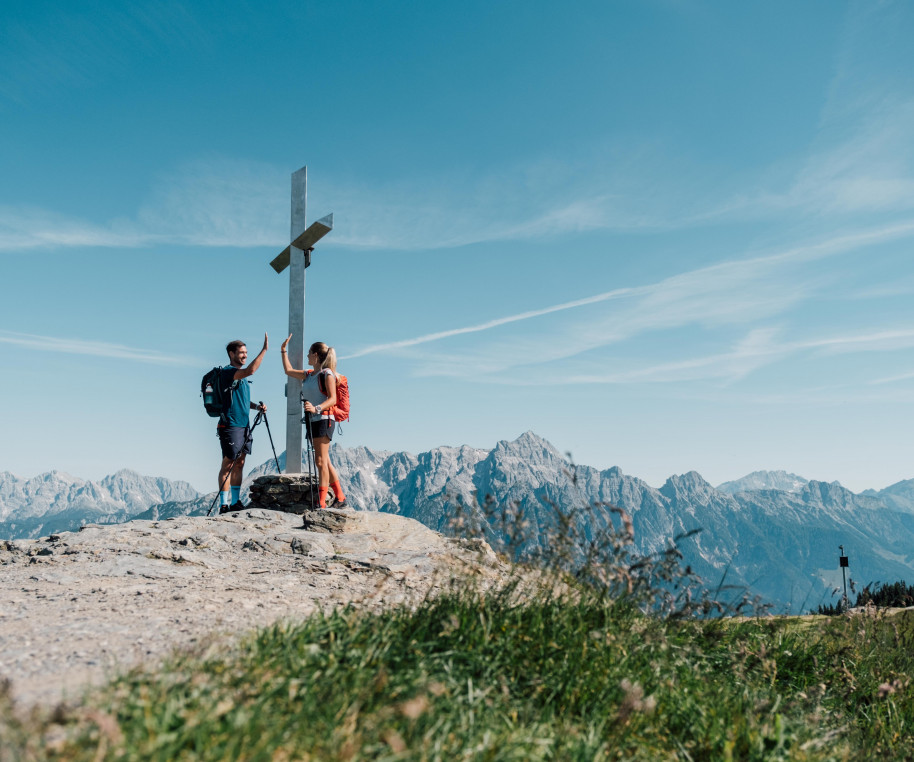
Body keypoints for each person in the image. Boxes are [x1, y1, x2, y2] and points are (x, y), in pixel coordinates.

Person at [280, 335, 347, 509]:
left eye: (309, 353)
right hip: (313, 419)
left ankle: (321, 502)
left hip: (324, 419)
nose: (307, 357)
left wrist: (316, 408)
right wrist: (283, 350)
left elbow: (332, 399)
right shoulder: (309, 375)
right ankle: (340, 496)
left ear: (316, 355)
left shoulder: (327, 374)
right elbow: (288, 370)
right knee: (325, 460)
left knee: (320, 461)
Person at [217, 334, 268, 512]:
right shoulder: (228, 372)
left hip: (243, 425)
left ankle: (235, 502)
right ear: (231, 354)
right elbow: (251, 370)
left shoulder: (241, 377)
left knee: (240, 462)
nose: (245, 355)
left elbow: (243, 401)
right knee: (228, 463)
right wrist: (264, 350)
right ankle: (223, 504)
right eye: (241, 353)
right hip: (230, 424)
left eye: (246, 352)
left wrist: (257, 407)